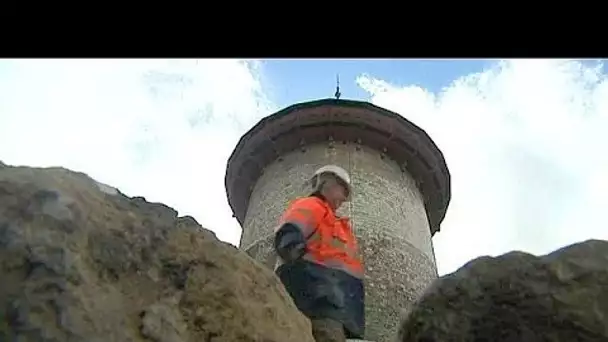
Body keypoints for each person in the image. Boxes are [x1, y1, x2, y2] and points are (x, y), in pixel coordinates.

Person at [273, 165, 365, 342]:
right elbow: (289, 236)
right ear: (327, 184)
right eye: (343, 190)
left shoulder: (338, 224)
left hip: (341, 309)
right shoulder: (311, 206)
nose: (344, 199)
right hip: (318, 302)